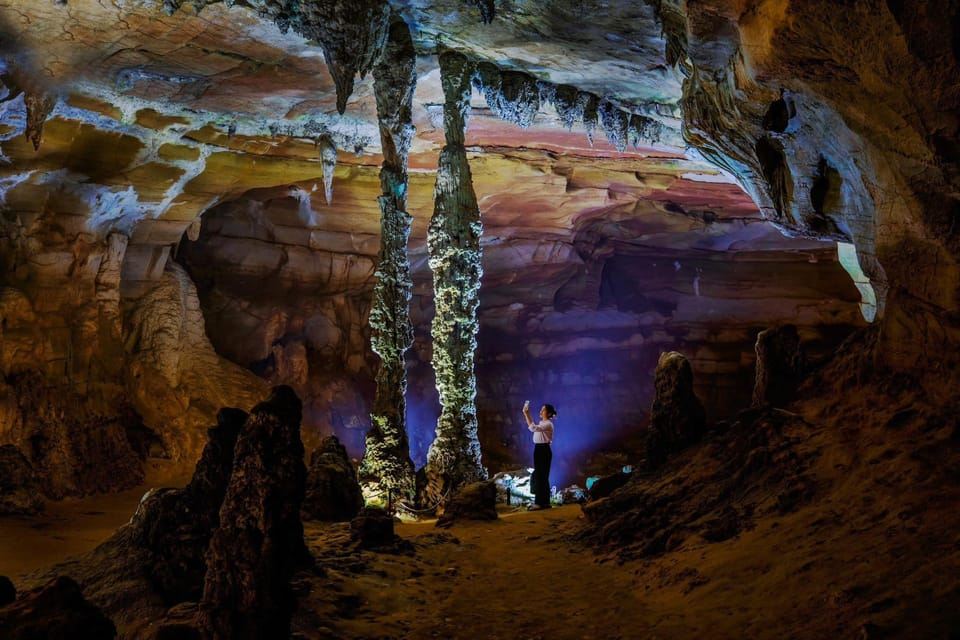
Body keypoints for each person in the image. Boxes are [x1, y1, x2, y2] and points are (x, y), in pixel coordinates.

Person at [522, 400, 557, 510]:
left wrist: (526, 413)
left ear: (549, 413)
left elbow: (532, 428)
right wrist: (526, 414)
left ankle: (540, 503)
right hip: (539, 449)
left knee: (541, 476)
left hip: (543, 450)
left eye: (543, 410)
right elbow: (534, 427)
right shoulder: (543, 424)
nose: (541, 411)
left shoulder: (548, 424)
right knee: (541, 476)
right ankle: (544, 502)